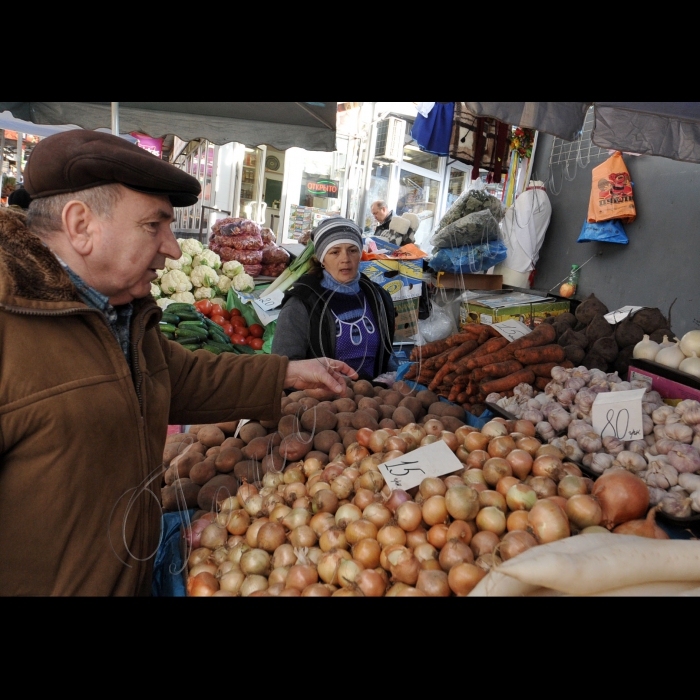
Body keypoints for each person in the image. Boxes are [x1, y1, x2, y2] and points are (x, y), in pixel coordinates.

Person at [0, 130, 357, 596]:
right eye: (154, 225)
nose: (172, 247)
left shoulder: (120, 314)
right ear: (81, 225)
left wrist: (288, 371)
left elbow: (180, 376)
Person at [272, 217, 396, 383]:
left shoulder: (378, 297)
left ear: (360, 254)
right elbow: (284, 368)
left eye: (352, 250)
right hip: (323, 403)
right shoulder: (301, 304)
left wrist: (395, 376)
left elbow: (386, 354)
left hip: (374, 401)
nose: (345, 259)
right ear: (322, 259)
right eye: (335, 252)